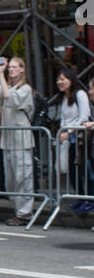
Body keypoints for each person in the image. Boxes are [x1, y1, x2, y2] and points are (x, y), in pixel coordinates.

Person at [0, 56, 34, 224]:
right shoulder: (7, 85)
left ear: (22, 69)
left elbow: (9, 97)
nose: (11, 69)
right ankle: (18, 211)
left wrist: (1, 74)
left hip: (22, 140)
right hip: (8, 141)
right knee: (11, 181)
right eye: (9, 67)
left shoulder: (25, 89)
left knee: (23, 178)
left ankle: (24, 214)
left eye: (14, 67)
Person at [56, 69, 92, 211]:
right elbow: (63, 118)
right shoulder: (64, 98)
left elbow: (84, 116)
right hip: (70, 140)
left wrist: (69, 131)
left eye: (63, 79)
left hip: (81, 139)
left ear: (71, 80)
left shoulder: (80, 94)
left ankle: (89, 199)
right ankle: (80, 197)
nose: (60, 82)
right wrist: (61, 132)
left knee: (84, 170)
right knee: (72, 170)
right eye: (58, 79)